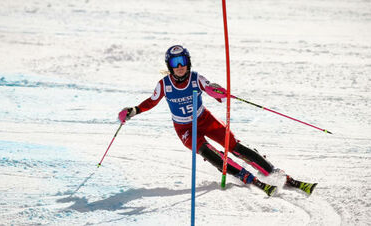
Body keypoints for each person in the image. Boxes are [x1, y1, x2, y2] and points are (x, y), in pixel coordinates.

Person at [118, 45, 316, 196]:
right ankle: (249, 178)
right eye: (174, 63)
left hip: (204, 119)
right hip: (184, 128)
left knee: (234, 146)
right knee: (209, 153)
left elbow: (212, 89)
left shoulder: (196, 78)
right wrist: (133, 111)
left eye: (182, 61)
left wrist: (218, 92)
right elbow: (151, 102)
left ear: (188, 62)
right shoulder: (164, 85)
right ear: (168, 66)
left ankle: (280, 175)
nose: (179, 67)